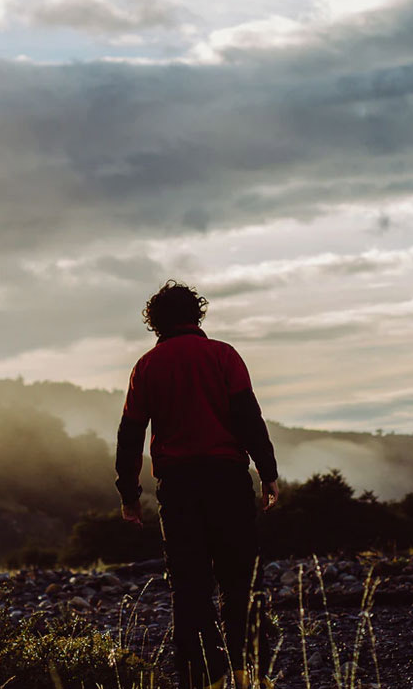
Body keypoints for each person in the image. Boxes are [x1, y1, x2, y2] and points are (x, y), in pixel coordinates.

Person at [116, 280, 281, 688]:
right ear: (197, 314)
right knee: (240, 576)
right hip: (227, 480)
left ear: (155, 322)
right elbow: (248, 418)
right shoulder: (223, 356)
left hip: (178, 487)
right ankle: (249, 673)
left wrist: (129, 494)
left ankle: (203, 675)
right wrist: (268, 471)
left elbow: (130, 434)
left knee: (188, 585)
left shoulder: (146, 367)